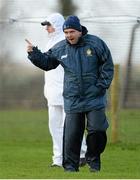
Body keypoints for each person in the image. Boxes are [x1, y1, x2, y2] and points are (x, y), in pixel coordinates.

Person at [26, 15, 114, 172]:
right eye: (66, 32)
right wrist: (34, 53)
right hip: (73, 99)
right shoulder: (61, 48)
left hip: (95, 97)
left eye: (72, 32)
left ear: (80, 31)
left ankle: (93, 160)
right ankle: (70, 168)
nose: (69, 35)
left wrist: (101, 86)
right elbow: (47, 63)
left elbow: (107, 65)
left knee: (98, 130)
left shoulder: (96, 43)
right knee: (72, 136)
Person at [39, 13, 87, 167]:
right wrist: (33, 53)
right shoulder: (49, 44)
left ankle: (81, 154)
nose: (47, 28)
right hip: (52, 94)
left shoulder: (65, 44)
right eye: (46, 25)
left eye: (49, 25)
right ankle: (58, 159)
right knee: (55, 127)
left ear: (58, 25)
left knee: (73, 126)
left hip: (68, 93)